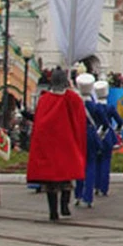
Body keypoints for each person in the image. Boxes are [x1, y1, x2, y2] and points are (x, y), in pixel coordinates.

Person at [26, 67, 87, 221]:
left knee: (51, 181)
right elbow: (80, 120)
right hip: (67, 144)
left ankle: (53, 211)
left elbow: (39, 124)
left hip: (49, 145)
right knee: (66, 177)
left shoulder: (45, 99)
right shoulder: (72, 98)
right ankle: (64, 207)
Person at [74, 74, 105, 209]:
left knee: (79, 165)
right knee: (90, 165)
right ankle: (88, 197)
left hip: (78, 135)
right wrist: (100, 134)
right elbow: (105, 123)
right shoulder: (95, 106)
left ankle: (78, 194)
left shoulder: (76, 104)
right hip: (91, 134)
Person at [93, 79, 123, 197]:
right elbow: (119, 122)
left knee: (95, 161)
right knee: (106, 162)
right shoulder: (110, 107)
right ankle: (104, 188)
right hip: (107, 135)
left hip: (96, 134)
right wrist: (117, 132)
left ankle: (96, 185)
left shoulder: (94, 107)